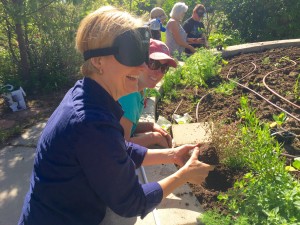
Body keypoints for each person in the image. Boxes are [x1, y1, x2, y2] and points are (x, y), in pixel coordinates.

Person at [18, 6, 213, 225]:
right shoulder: (90, 123)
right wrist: (184, 175)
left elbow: (118, 149)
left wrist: (172, 154)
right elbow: (132, 202)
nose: (141, 67)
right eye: (130, 53)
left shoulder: (88, 95)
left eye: (142, 54)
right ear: (97, 61)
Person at [119, 39, 176, 148]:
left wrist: (150, 126)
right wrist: (155, 138)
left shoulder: (140, 89)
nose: (159, 72)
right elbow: (121, 146)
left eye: (164, 68)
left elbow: (128, 126)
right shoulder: (129, 95)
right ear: (139, 61)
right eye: (153, 64)